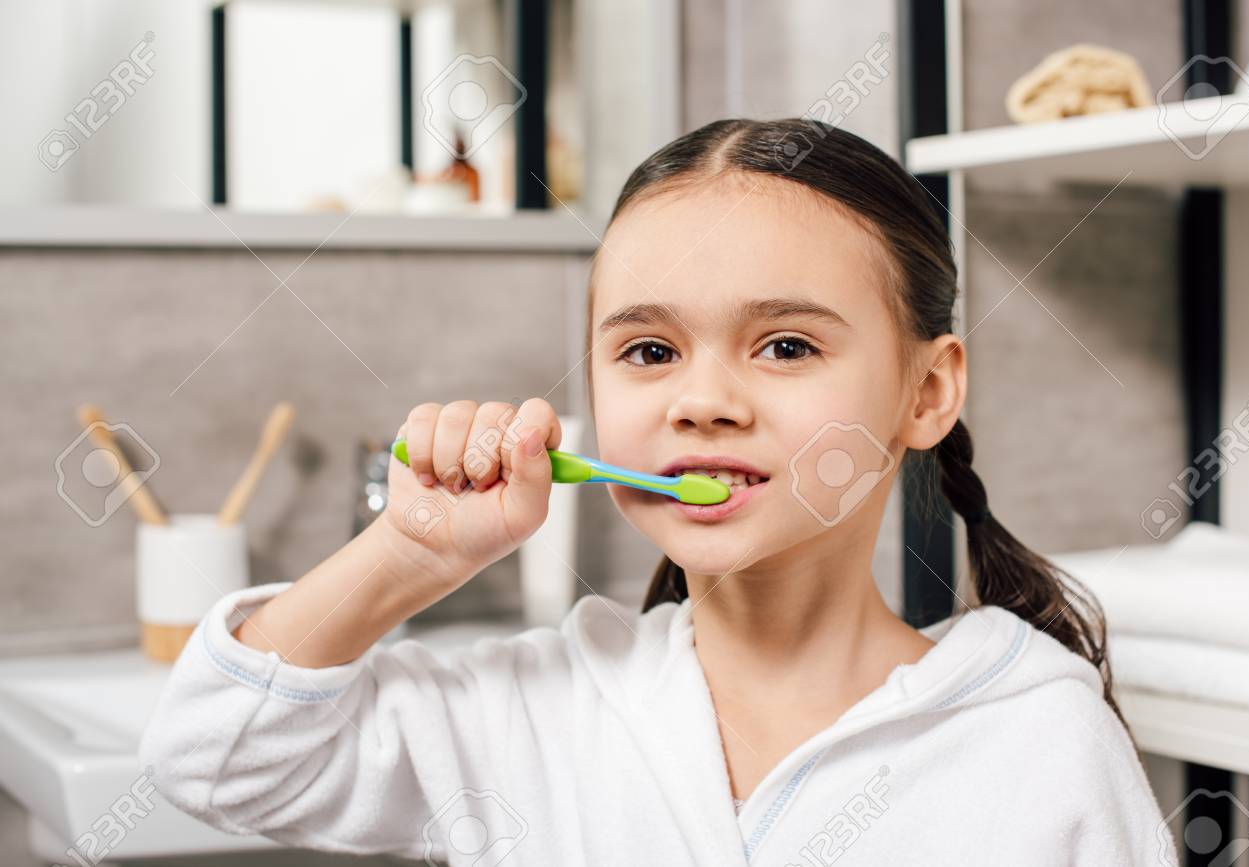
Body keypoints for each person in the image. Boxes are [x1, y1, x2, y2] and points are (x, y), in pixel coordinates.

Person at [141, 119, 1171, 866]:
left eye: (784, 344)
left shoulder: (1035, 744)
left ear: (926, 389)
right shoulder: (525, 715)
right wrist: (409, 557)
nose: (702, 400)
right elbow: (215, 760)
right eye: (647, 349)